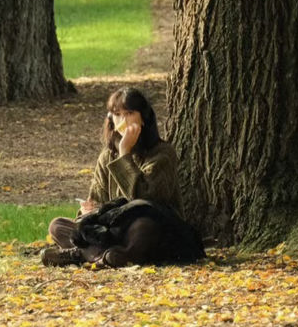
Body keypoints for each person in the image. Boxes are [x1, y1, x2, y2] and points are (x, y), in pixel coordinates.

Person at [40, 86, 204, 268]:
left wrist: (125, 153)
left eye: (129, 113)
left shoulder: (162, 153)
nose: (123, 120)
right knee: (58, 225)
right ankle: (107, 257)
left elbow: (145, 200)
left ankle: (85, 254)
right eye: (117, 114)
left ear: (143, 117)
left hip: (152, 228)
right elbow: (98, 201)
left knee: (143, 227)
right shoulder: (107, 155)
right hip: (110, 231)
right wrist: (88, 211)